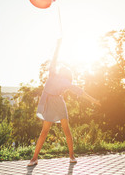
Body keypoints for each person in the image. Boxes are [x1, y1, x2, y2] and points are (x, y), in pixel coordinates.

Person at [28, 38, 101, 166]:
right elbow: (54, 59)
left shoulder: (66, 82)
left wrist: (93, 100)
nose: (61, 69)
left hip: (60, 104)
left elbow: (80, 91)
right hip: (48, 104)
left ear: (66, 74)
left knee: (66, 129)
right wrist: (58, 45)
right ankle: (34, 158)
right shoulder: (52, 74)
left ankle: (72, 156)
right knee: (44, 132)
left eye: (64, 70)